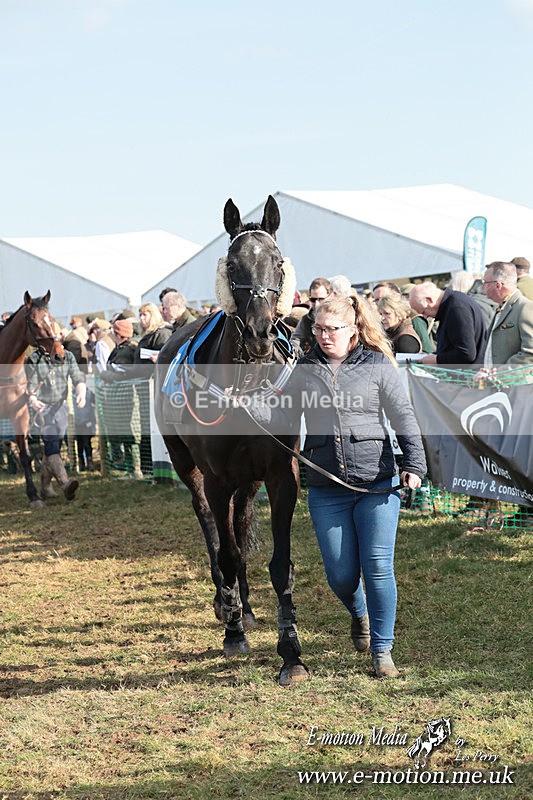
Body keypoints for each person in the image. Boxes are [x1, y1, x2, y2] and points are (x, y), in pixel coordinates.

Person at [240, 296, 427, 678]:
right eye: (319, 329)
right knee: (340, 576)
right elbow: (283, 415)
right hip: (328, 488)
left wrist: (414, 464)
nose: (325, 336)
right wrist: (248, 404)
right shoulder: (305, 370)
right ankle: (358, 613)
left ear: (353, 329)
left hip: (377, 484)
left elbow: (403, 415)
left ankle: (382, 651)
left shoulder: (377, 365)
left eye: (333, 329)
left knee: (378, 567)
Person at [25, 327, 86, 501]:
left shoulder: (68, 356)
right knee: (51, 445)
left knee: (53, 448)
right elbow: (31, 386)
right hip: (42, 409)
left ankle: (45, 488)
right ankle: (65, 484)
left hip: (61, 407)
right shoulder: (34, 360)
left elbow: (77, 377)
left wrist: (81, 392)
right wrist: (33, 400)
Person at [409, 281, 487, 366]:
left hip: (470, 371)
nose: (425, 316)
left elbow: (466, 353)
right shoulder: (453, 304)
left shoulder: (456, 307)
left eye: (423, 311)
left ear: (429, 300)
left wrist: (436, 359)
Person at [479, 261, 533, 373]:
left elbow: (529, 353)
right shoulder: (502, 306)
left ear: (497, 285)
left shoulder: (524, 307)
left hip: (514, 382)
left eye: (485, 282)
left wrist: (500, 374)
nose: (483, 286)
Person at [291, 277, 332, 354]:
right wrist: (294, 350)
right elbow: (296, 340)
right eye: (313, 300)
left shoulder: (342, 317)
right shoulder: (306, 320)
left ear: (330, 297)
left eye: (321, 299)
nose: (317, 304)